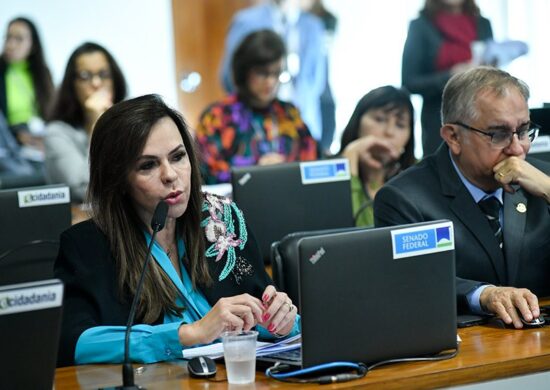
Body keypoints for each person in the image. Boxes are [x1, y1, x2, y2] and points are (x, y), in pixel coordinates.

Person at [54, 94, 300, 366]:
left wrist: (284, 321)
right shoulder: (88, 244)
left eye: (178, 156)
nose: (170, 175)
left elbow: (263, 316)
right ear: (118, 179)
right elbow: (72, 343)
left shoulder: (222, 218)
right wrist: (190, 334)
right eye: (148, 165)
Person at [374, 66, 550, 329]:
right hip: (465, 351)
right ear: (453, 136)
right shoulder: (404, 198)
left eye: (523, 131)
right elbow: (413, 281)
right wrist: (485, 294)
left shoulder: (542, 179)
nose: (517, 149)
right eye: (498, 134)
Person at [197, 29, 317, 184]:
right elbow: (207, 172)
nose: (271, 82)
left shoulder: (289, 114)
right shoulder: (218, 116)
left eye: (277, 74)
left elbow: (312, 162)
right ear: (244, 71)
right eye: (262, 73)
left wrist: (285, 168)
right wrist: (256, 171)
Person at [219, 0, 327, 143]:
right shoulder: (246, 21)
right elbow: (229, 76)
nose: (271, 79)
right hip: (253, 124)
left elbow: (318, 82)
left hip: (302, 122)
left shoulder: (313, 27)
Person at [402, 0, 493, 157]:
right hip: (438, 120)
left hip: (481, 115)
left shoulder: (483, 23)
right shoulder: (421, 26)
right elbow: (410, 82)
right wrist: (451, 75)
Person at [44, 42, 127, 202]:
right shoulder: (56, 133)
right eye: (85, 76)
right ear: (72, 85)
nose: (96, 83)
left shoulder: (129, 123)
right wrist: (98, 125)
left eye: (103, 74)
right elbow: (86, 191)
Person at [339, 86, 415, 227]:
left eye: (400, 125)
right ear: (357, 122)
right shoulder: (324, 172)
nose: (389, 132)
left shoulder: (418, 178)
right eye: (380, 119)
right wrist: (350, 155)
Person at [0, 17, 54, 159]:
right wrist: (18, 136)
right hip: (8, 139)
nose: (11, 44)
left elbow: (51, 115)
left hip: (38, 137)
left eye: (19, 39)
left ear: (33, 44)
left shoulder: (42, 73)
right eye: (8, 37)